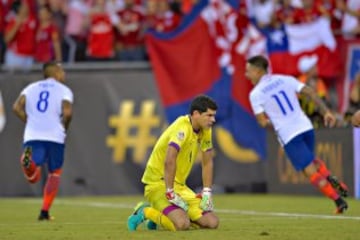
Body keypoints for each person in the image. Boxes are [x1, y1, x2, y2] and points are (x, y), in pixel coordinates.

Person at [246, 55, 349, 214]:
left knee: (309, 172)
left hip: (289, 134)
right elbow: (310, 92)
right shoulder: (286, 79)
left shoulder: (255, 94)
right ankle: (333, 181)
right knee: (311, 160)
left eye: (249, 71)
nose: (247, 75)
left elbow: (262, 122)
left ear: (258, 71)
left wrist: (274, 121)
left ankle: (338, 200)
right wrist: (326, 112)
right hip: (306, 127)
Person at [127, 95, 219, 231]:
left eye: (214, 116)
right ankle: (146, 211)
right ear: (196, 114)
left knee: (212, 223)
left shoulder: (205, 129)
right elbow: (169, 160)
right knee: (182, 224)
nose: (213, 120)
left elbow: (207, 161)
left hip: (179, 187)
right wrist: (170, 191)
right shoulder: (182, 128)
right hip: (158, 184)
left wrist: (207, 192)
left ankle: (165, 213)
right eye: (209, 115)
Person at [13, 61, 73, 220]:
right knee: (55, 173)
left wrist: (29, 120)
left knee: (33, 176)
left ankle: (29, 163)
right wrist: (64, 128)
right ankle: (44, 212)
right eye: (62, 71)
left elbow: (16, 107)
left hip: (32, 134)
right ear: (56, 73)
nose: (64, 74)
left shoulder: (31, 88)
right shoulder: (64, 90)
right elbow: (67, 113)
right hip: (55, 136)